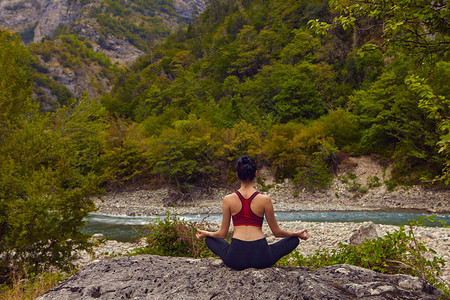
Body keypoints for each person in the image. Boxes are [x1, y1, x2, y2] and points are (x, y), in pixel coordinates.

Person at [196, 156, 309, 270]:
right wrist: (296, 233)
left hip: (236, 258)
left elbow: (222, 234)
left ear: (237, 175)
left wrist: (207, 233)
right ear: (255, 174)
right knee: (294, 240)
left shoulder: (228, 199)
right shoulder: (265, 200)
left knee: (209, 239)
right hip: (261, 258)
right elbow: (277, 232)